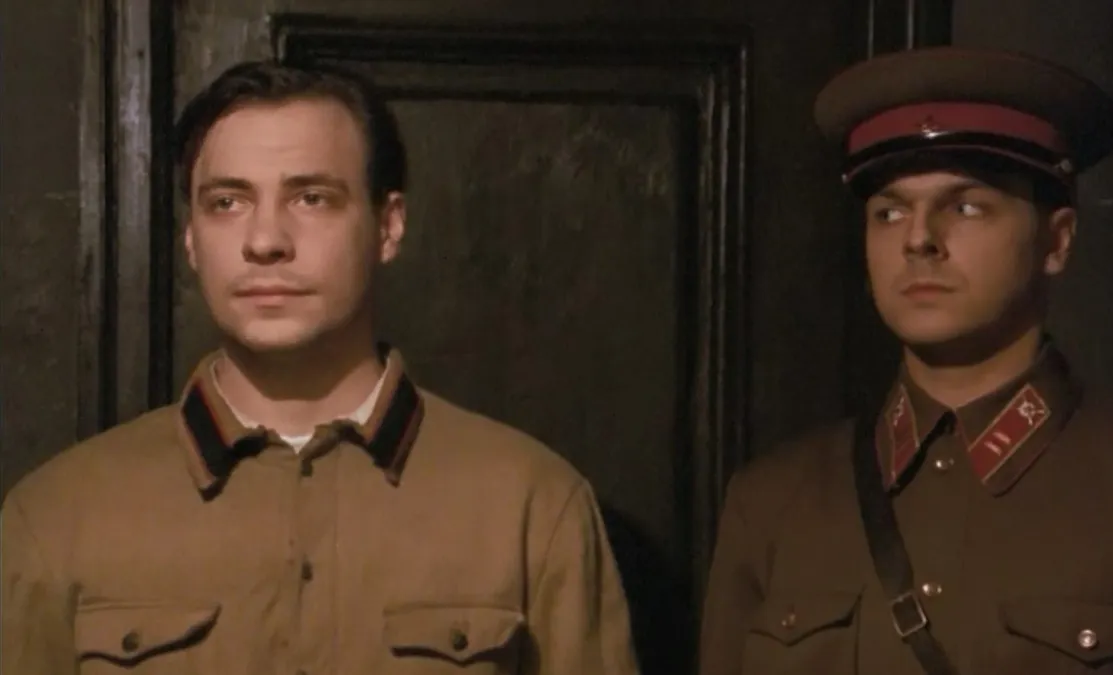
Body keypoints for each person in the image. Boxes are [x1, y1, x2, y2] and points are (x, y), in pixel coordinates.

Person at [1, 60, 639, 675]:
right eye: (227, 202)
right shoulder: (58, 517)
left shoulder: (530, 506)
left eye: (311, 198)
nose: (265, 241)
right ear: (191, 237)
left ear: (388, 226)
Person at [699, 47, 1113, 675]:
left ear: (1056, 240)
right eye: (889, 212)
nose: (918, 239)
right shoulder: (773, 503)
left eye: (965, 207)